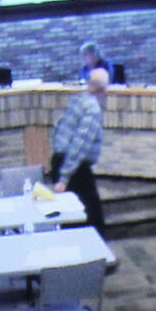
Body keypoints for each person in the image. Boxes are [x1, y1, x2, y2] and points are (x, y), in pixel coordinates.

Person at [48, 68, 107, 233]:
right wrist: (64, 178)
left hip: (60, 159)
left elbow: (59, 127)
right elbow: (80, 144)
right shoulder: (93, 109)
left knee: (69, 215)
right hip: (74, 166)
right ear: (103, 89)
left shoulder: (78, 99)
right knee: (91, 217)